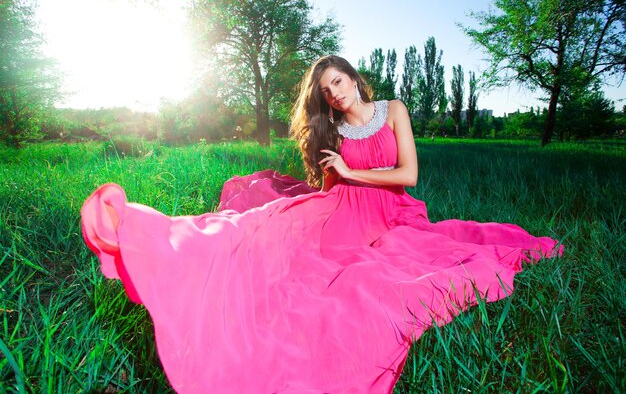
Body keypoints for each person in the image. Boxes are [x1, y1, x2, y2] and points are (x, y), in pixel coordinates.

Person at [81, 55, 562, 394]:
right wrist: (340, 176)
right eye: (326, 89)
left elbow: (410, 175)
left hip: (391, 212)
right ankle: (143, 233)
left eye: (338, 81)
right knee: (263, 228)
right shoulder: (332, 128)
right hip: (340, 208)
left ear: (353, 77)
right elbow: (331, 180)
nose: (334, 92)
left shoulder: (394, 110)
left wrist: (355, 172)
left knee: (367, 271)